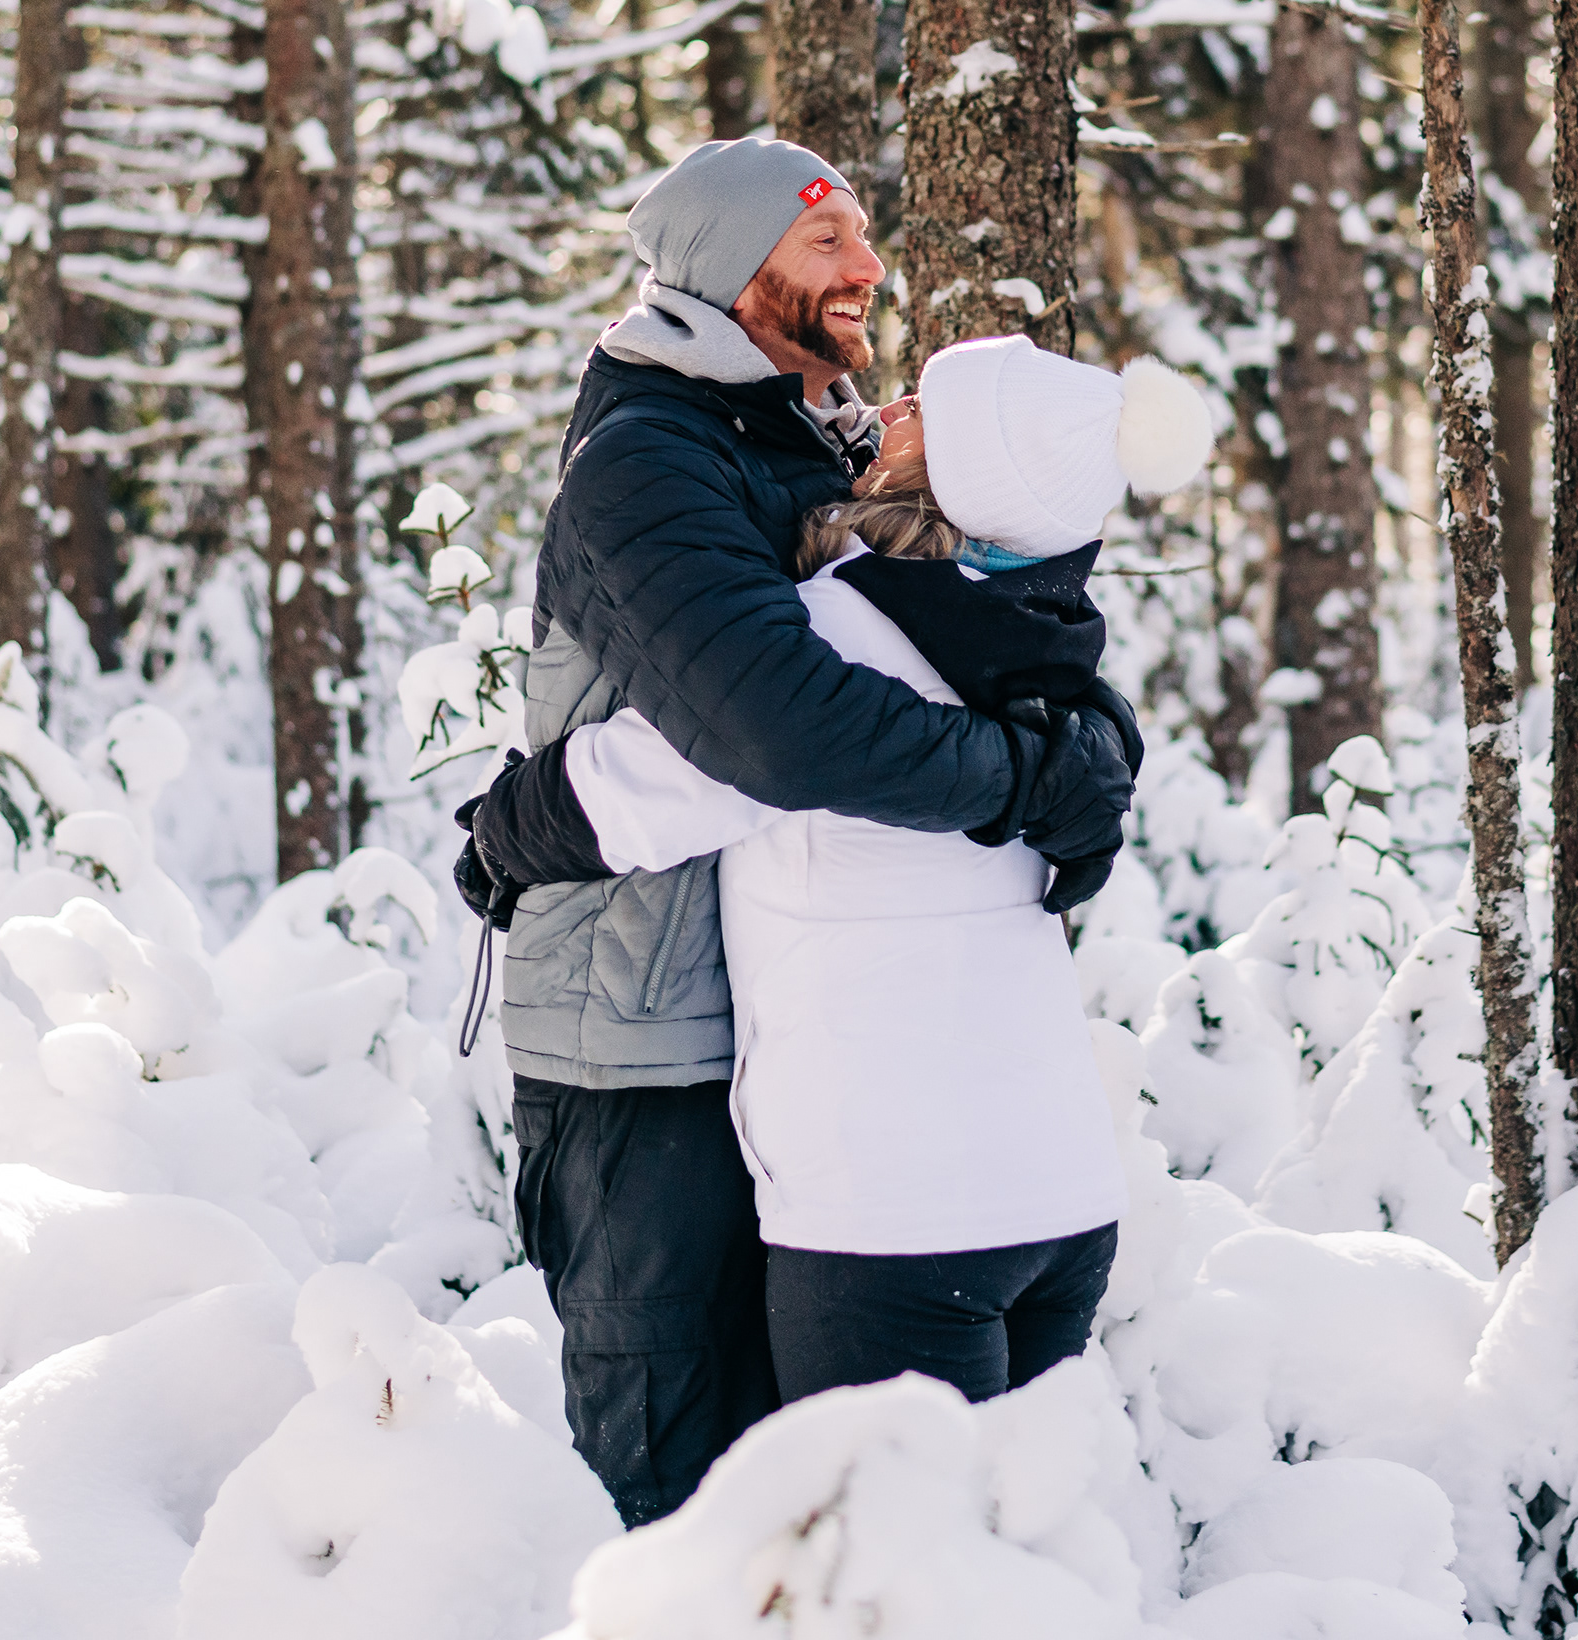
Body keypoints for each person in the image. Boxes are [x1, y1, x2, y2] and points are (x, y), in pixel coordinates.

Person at [453, 139, 1138, 1526]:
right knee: (683, 1483)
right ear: (725, 268)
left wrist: (1094, 749)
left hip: (778, 1047)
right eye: (829, 242)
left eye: (864, 238)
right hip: (643, 1041)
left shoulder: (806, 439)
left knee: (819, 1510)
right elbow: (776, 728)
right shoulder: (647, 462)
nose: (869, 269)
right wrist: (1032, 777)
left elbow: (994, 627)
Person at [500, 331, 1211, 1404]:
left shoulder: (841, 630)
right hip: (1061, 1197)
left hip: (895, 1216)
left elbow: (657, 781)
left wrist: (503, 828)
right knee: (1030, 1510)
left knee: (884, 1519)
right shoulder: (1048, 651)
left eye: (924, 408)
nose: (889, 412)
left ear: (959, 470)